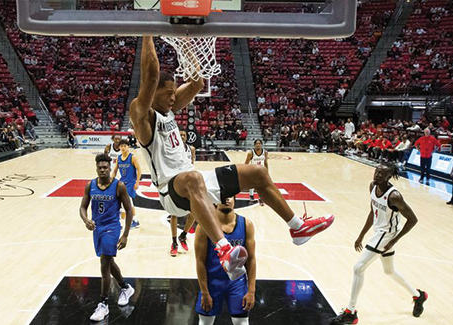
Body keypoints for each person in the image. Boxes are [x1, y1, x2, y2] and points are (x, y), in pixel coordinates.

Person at [129, 36, 334, 281]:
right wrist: (147, 31)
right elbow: (151, 77)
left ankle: (297, 227)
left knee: (257, 174)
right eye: (168, 94)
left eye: (174, 93)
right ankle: (224, 249)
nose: (173, 98)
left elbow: (197, 83)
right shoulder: (142, 117)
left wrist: (185, 46)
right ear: (152, 94)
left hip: (192, 182)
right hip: (170, 192)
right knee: (194, 178)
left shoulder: (169, 111)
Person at [330, 164, 428, 324]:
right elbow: (372, 211)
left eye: (381, 174)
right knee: (389, 271)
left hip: (387, 235)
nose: (377, 175)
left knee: (358, 268)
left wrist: (394, 240)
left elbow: (413, 219)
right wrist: (361, 235)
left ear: (388, 177)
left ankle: (350, 312)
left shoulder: (394, 196)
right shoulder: (372, 186)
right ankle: (419, 296)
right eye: (376, 171)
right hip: (379, 233)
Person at [80, 154, 135, 322]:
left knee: (104, 264)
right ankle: (125, 287)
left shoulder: (119, 186)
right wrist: (85, 220)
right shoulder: (90, 185)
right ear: (96, 168)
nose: (103, 170)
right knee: (109, 262)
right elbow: (82, 207)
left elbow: (130, 210)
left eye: (105, 167)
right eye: (100, 167)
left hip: (112, 228)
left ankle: (103, 304)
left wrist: (125, 234)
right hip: (97, 228)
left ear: (110, 168)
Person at [195, 197, 256, 325]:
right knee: (205, 323)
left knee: (242, 323)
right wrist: (205, 292)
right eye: (223, 197)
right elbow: (200, 261)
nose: (227, 199)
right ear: (215, 201)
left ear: (235, 200)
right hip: (212, 282)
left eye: (230, 196)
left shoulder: (246, 225)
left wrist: (251, 291)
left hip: (237, 282)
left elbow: (251, 260)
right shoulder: (204, 226)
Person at [169, 130, 197, 257]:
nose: (182, 136)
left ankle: (183, 235)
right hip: (175, 182)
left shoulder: (191, 149)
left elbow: (192, 164)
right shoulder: (171, 149)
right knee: (173, 213)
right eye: (180, 135)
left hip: (188, 183)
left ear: (187, 137)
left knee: (194, 212)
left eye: (184, 135)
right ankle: (174, 242)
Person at [111, 139, 141, 229]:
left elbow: (139, 170)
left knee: (127, 203)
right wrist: (111, 181)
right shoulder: (119, 158)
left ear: (128, 147)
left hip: (131, 183)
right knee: (123, 203)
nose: (123, 148)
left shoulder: (132, 157)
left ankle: (131, 221)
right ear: (119, 147)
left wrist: (137, 182)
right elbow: (115, 170)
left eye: (125, 146)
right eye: (121, 146)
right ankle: (133, 220)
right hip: (122, 182)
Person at [244, 139, 269, 206]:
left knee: (262, 185)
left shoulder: (265, 152)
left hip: (261, 171)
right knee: (252, 184)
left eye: (259, 143)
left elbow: (266, 162)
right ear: (254, 145)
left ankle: (261, 198)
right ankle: (251, 197)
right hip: (253, 170)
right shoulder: (251, 153)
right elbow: (246, 163)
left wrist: (267, 172)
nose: (258, 145)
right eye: (257, 144)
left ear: (261, 144)